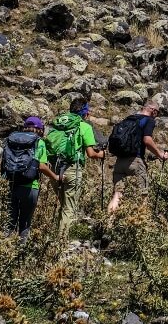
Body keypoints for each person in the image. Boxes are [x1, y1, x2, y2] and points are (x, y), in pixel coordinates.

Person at [47, 98, 106, 237]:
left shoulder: (58, 123)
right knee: (69, 208)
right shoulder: (84, 126)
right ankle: (60, 243)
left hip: (54, 169)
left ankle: (55, 237)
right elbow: (91, 153)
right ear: (85, 113)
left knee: (63, 205)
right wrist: (102, 154)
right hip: (73, 169)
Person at [4, 116, 60, 239]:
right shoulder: (39, 142)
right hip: (30, 186)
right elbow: (41, 165)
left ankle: (3, 248)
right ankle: (21, 253)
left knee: (8, 222)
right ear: (40, 129)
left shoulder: (12, 139)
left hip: (11, 184)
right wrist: (55, 176)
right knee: (25, 223)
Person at [107, 101, 168, 213]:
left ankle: (108, 224)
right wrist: (160, 154)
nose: (157, 115)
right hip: (135, 161)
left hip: (120, 162)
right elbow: (147, 140)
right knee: (142, 196)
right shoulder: (149, 120)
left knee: (117, 195)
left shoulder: (129, 118)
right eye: (157, 112)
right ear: (153, 110)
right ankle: (140, 226)